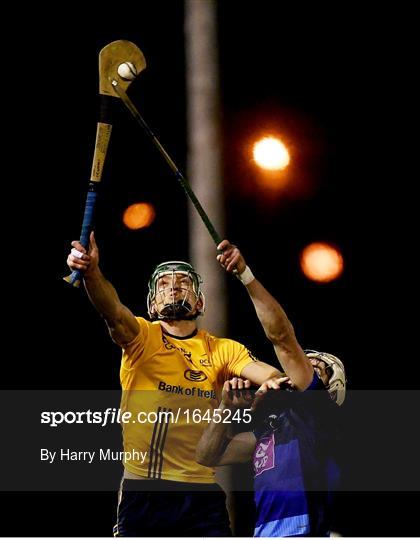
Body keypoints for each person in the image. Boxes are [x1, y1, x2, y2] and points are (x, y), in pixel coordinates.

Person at [66, 232, 282, 537]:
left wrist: (266, 397)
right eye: (164, 285)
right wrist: (92, 273)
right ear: (152, 304)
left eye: (183, 282)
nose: (174, 287)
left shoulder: (223, 349)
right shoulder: (142, 337)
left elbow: (272, 378)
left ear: (200, 301)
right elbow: (111, 311)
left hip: (201, 494)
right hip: (144, 491)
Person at [196, 240, 346, 537]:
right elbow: (207, 456)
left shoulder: (318, 413)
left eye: (315, 368)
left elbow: (282, 339)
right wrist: (226, 409)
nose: (301, 370)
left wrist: (245, 275)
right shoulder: (271, 431)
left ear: (332, 388)